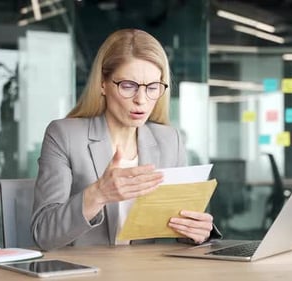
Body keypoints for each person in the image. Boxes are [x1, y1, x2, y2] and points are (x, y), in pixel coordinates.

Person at [31, 28, 220, 251]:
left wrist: (196, 232)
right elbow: (43, 234)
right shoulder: (64, 135)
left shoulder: (170, 140)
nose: (141, 100)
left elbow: (180, 223)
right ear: (103, 84)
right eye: (128, 86)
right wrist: (98, 194)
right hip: (83, 271)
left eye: (152, 87)